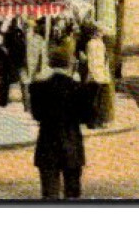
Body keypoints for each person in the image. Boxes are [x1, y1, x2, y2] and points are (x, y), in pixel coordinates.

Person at [28, 45, 93, 200]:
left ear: (50, 63)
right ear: (69, 63)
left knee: (49, 194)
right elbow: (87, 117)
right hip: (71, 144)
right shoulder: (77, 88)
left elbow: (37, 115)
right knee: (72, 193)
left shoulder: (38, 87)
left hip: (47, 144)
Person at [3, 19, 28, 106]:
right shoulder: (21, 38)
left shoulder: (9, 34)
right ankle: (26, 102)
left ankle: (7, 99)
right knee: (22, 82)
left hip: (12, 61)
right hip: (18, 62)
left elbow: (6, 45)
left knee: (9, 80)